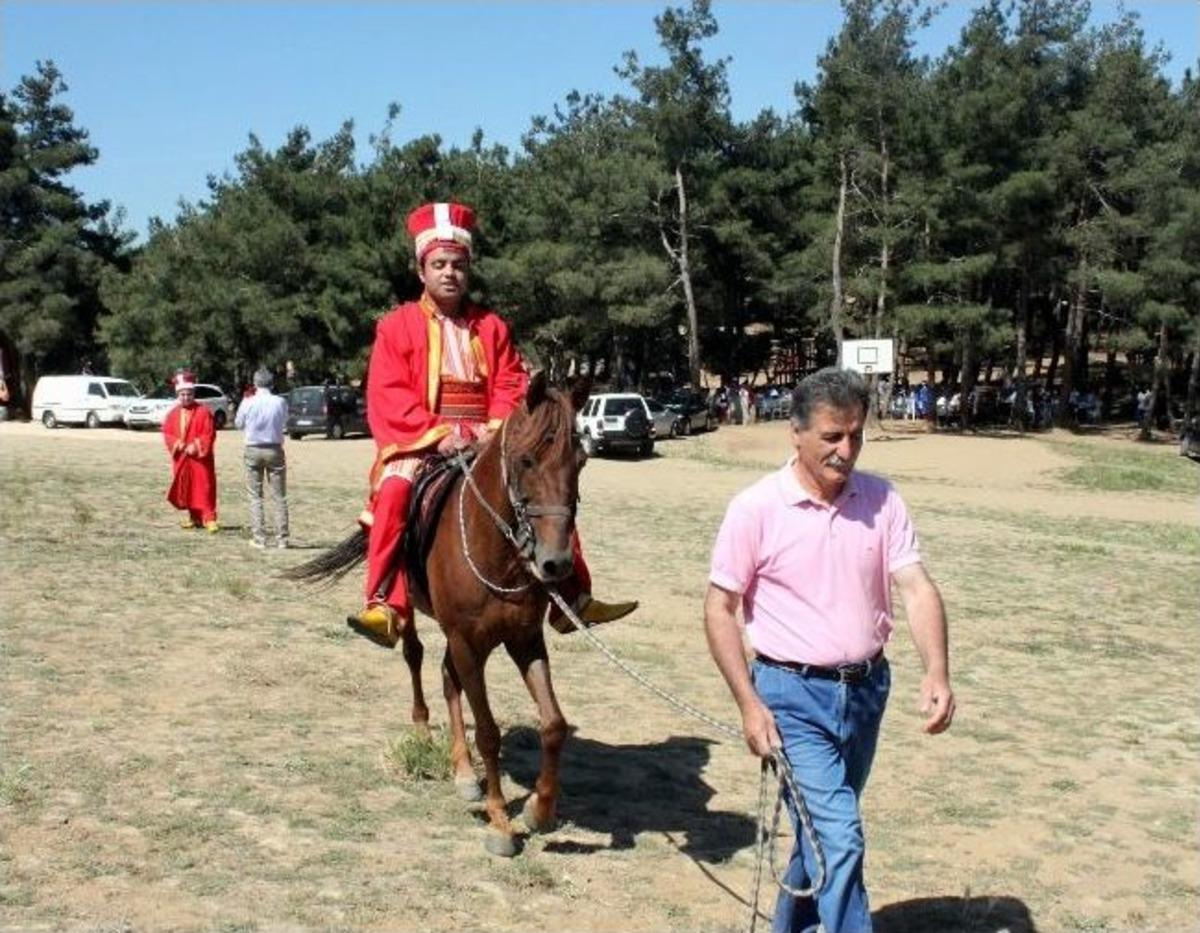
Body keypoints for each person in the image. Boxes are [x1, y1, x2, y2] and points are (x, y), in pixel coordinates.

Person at [704, 367, 955, 933]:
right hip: (790, 698)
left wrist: (937, 671)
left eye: (856, 436)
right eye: (832, 437)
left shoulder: (883, 499)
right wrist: (748, 703)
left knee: (821, 834)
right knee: (839, 839)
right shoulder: (756, 508)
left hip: (867, 693)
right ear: (795, 433)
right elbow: (719, 609)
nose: (847, 450)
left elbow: (916, 587)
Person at [349, 200, 637, 649]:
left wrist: (496, 426)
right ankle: (387, 604)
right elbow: (389, 391)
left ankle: (572, 595)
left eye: (458, 265)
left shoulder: (493, 326)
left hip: (487, 438)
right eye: (439, 264)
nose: (450, 273)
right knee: (395, 493)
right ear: (420, 270)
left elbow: (510, 381)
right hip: (423, 444)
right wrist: (439, 435)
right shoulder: (395, 327)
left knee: (544, 487)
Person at [235, 367, 290, 548]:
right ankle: (282, 538)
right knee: (279, 495)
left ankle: (260, 538)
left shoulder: (248, 402)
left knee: (255, 495)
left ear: (255, 383)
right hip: (274, 448)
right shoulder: (280, 401)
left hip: (253, 448)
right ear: (272, 383)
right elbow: (285, 422)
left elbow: (238, 423)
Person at [162, 370, 219, 532]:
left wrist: (196, 445)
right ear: (178, 395)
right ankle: (194, 517)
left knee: (205, 486)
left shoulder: (203, 411)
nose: (186, 397)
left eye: (188, 394)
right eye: (182, 394)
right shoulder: (172, 414)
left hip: (200, 458)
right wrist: (177, 444)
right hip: (182, 458)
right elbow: (167, 433)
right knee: (188, 487)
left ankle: (209, 518)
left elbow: (209, 433)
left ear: (193, 393)